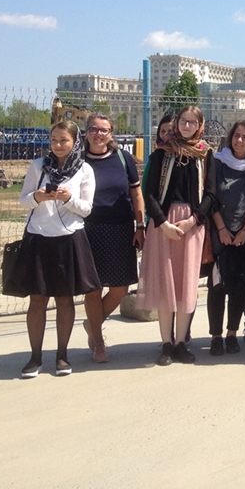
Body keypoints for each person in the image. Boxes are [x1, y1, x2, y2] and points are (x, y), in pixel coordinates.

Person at [17, 120, 99, 377]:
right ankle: (34, 357)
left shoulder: (84, 170)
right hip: (38, 238)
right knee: (37, 300)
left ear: (75, 142)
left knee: (65, 299)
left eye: (64, 140)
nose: (58, 145)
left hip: (68, 239)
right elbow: (23, 202)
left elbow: (86, 209)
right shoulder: (38, 166)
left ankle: (62, 356)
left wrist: (68, 198)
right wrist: (38, 197)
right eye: (54, 140)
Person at [138, 105, 216, 366]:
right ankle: (165, 343)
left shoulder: (206, 155)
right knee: (165, 284)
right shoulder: (162, 153)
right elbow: (149, 194)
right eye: (183, 121)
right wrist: (162, 223)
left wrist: (192, 221)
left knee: (186, 284)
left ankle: (181, 342)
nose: (186, 126)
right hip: (164, 225)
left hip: (191, 226)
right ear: (177, 123)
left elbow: (211, 194)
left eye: (192, 122)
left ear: (200, 126)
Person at [81, 113, 144, 365]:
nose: (99, 134)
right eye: (94, 129)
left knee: (120, 288)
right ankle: (98, 342)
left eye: (104, 130)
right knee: (93, 289)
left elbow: (137, 194)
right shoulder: (78, 160)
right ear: (86, 132)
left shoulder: (123, 158)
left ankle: (92, 323)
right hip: (88, 230)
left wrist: (140, 225)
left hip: (121, 229)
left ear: (111, 134)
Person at [206, 120, 245, 356]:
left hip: (244, 236)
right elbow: (209, 195)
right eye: (236, 136)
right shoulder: (218, 161)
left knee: (239, 286)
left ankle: (232, 334)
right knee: (217, 287)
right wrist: (221, 228)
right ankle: (216, 336)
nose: (239, 140)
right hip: (220, 234)